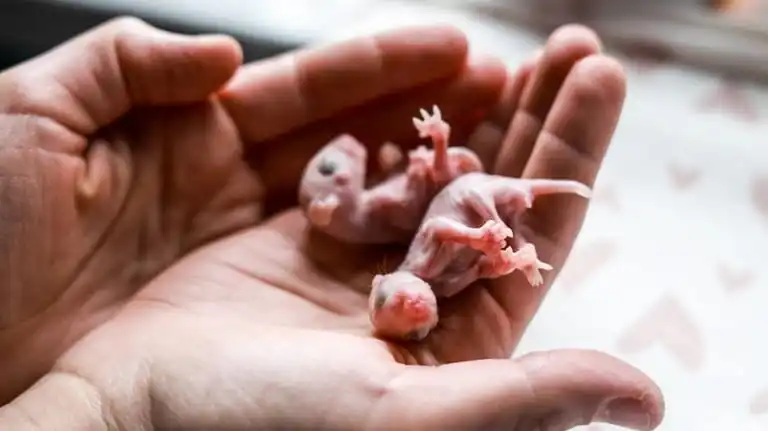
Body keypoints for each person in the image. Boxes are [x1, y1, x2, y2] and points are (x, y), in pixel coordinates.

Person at [0, 16, 663, 430]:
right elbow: (448, 234)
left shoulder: (414, 251)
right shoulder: (421, 257)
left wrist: (90, 405)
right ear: (424, 308)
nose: (410, 299)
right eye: (413, 310)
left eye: (394, 302)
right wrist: (101, 405)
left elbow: (437, 226)